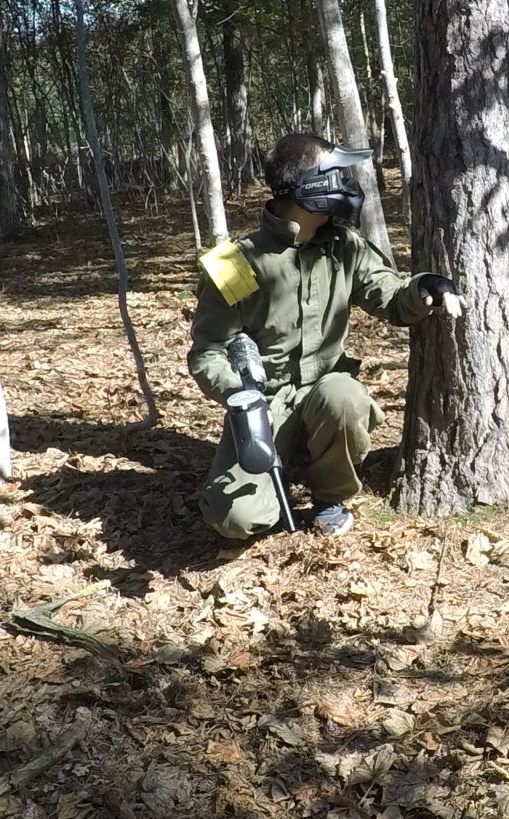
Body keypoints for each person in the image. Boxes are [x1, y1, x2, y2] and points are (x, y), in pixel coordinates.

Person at [187, 133, 463, 538]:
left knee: (344, 396)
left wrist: (426, 287)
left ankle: (328, 494)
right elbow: (208, 352)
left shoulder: (344, 246)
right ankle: (286, 459)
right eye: (334, 174)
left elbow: (389, 295)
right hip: (264, 406)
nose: (346, 184)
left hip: (325, 396)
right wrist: (240, 398)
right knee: (236, 520)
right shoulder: (236, 263)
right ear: (305, 187)